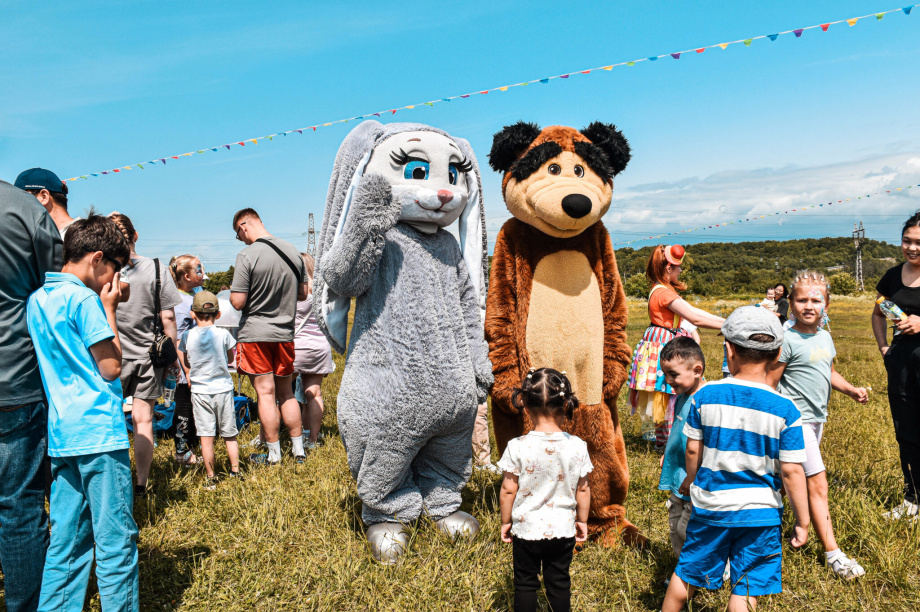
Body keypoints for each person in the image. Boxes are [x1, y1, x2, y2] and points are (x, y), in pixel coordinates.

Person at [662, 305, 810, 612]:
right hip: (761, 513)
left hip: (711, 507)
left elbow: (693, 450)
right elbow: (792, 472)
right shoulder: (787, 409)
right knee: (746, 588)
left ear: (728, 350)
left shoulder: (705, 396)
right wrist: (802, 520)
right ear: (777, 353)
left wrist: (691, 479)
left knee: (686, 575)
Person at [26, 215, 139, 611]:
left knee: (67, 541)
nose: (115, 278)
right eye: (115, 267)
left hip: (62, 435)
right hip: (99, 433)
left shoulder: (38, 299)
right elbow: (111, 366)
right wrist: (110, 309)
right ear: (97, 259)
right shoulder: (84, 299)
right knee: (116, 540)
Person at [766, 271, 868, 579]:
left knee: (782, 481)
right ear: (791, 303)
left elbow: (829, 372)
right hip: (794, 422)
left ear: (827, 304)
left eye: (816, 300)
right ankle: (833, 553)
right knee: (817, 483)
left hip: (815, 421)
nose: (809, 306)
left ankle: (758, 534)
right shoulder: (787, 339)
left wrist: (851, 390)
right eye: (801, 300)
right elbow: (770, 382)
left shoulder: (825, 336)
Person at [0, 179, 62, 612]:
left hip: (15, 380)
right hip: (15, 376)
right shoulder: (23, 209)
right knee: (19, 505)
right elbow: (54, 288)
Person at [498, 368, 591, 612]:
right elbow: (583, 490)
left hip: (525, 529)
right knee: (559, 583)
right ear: (565, 405)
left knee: (525, 584)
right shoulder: (577, 446)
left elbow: (508, 490)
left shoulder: (517, 446)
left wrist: (506, 521)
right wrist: (582, 521)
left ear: (526, 407)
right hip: (563, 529)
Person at [109, 212, 182, 496]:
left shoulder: (105, 269)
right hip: (149, 357)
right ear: (135, 235)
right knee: (143, 419)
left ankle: (113, 480)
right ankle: (141, 483)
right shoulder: (157, 268)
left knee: (110, 418)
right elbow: (169, 318)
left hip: (111, 354)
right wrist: (172, 357)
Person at [627, 244, 725, 450]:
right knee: (670, 391)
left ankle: (667, 440)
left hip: (663, 338)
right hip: (666, 342)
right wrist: (728, 325)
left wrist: (726, 322)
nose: (680, 270)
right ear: (668, 268)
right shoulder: (663, 292)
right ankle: (669, 443)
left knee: (667, 393)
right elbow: (695, 317)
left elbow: (693, 312)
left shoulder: (662, 290)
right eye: (678, 267)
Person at [230, 208, 307, 464]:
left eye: (239, 235)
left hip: (255, 334)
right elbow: (302, 294)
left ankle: (273, 455)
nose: (242, 240)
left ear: (243, 227)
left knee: (265, 393)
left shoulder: (247, 255)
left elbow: (238, 302)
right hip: (285, 334)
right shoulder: (293, 251)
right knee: (286, 393)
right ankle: (298, 450)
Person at [873, 210, 920, 520]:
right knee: (906, 430)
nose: (912, 248)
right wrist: (884, 348)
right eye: (907, 241)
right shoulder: (892, 276)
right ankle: (912, 498)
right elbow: (878, 311)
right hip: (901, 362)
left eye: (919, 242)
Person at [178, 291, 239, 488]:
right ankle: (235, 471)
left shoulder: (187, 335)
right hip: (223, 389)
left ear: (192, 314)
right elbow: (230, 359)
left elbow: (186, 360)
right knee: (229, 434)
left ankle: (211, 477)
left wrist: (191, 369)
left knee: (206, 437)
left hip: (200, 392)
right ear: (218, 314)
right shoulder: (224, 334)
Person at [657, 337, 705, 560]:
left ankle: (704, 568)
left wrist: (693, 477)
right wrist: (668, 452)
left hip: (695, 480)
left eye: (673, 374)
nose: (668, 381)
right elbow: (677, 429)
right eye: (665, 374)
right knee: (675, 526)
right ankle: (681, 569)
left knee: (688, 529)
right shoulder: (681, 397)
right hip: (678, 475)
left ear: (697, 370)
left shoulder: (706, 401)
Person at [169, 254, 210, 465]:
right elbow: (177, 340)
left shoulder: (195, 294)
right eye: (199, 269)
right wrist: (185, 370)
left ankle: (193, 446)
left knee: (195, 407)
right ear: (186, 276)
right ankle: (182, 452)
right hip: (185, 367)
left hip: (198, 364)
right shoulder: (178, 302)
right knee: (184, 407)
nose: (203, 273)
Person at [293, 253, 333, 450]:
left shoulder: (293, 292)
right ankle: (313, 440)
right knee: (314, 394)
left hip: (296, 347)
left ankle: (293, 436)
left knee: (284, 394)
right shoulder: (322, 293)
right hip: (320, 347)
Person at [14, 168, 80, 239]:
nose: (15, 206)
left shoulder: (84, 236)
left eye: (20, 199)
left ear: (44, 197)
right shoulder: (34, 238)